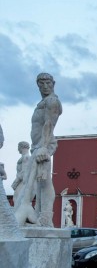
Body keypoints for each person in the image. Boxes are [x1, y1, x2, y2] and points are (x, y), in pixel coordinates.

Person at [14, 73, 62, 227]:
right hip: (37, 145)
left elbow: (49, 124)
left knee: (44, 180)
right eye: (41, 83)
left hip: (44, 145)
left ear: (53, 83)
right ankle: (39, 215)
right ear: (37, 85)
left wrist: (44, 147)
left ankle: (46, 218)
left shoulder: (52, 101)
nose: (45, 86)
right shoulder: (42, 102)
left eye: (48, 82)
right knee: (37, 181)